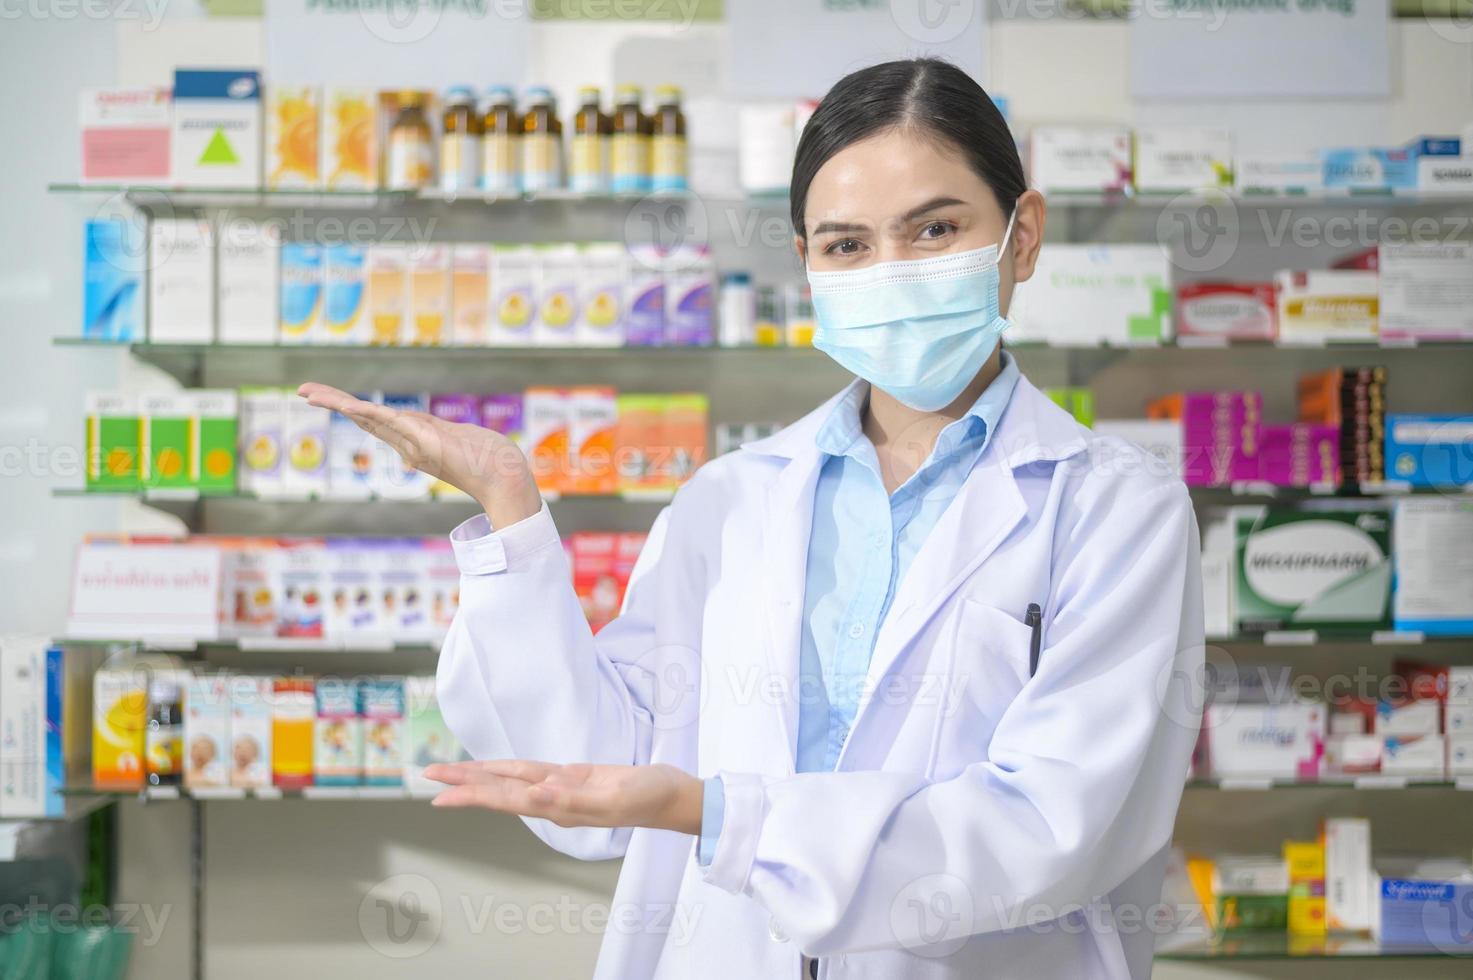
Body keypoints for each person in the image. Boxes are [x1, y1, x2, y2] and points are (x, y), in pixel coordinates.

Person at [301, 58, 1203, 980]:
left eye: (934, 228)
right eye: (846, 245)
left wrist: (725, 818)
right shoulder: (729, 500)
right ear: (807, 263)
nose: (888, 272)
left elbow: (1051, 824)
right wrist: (510, 511)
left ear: (1022, 237)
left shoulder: (1116, 510)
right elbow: (601, 770)